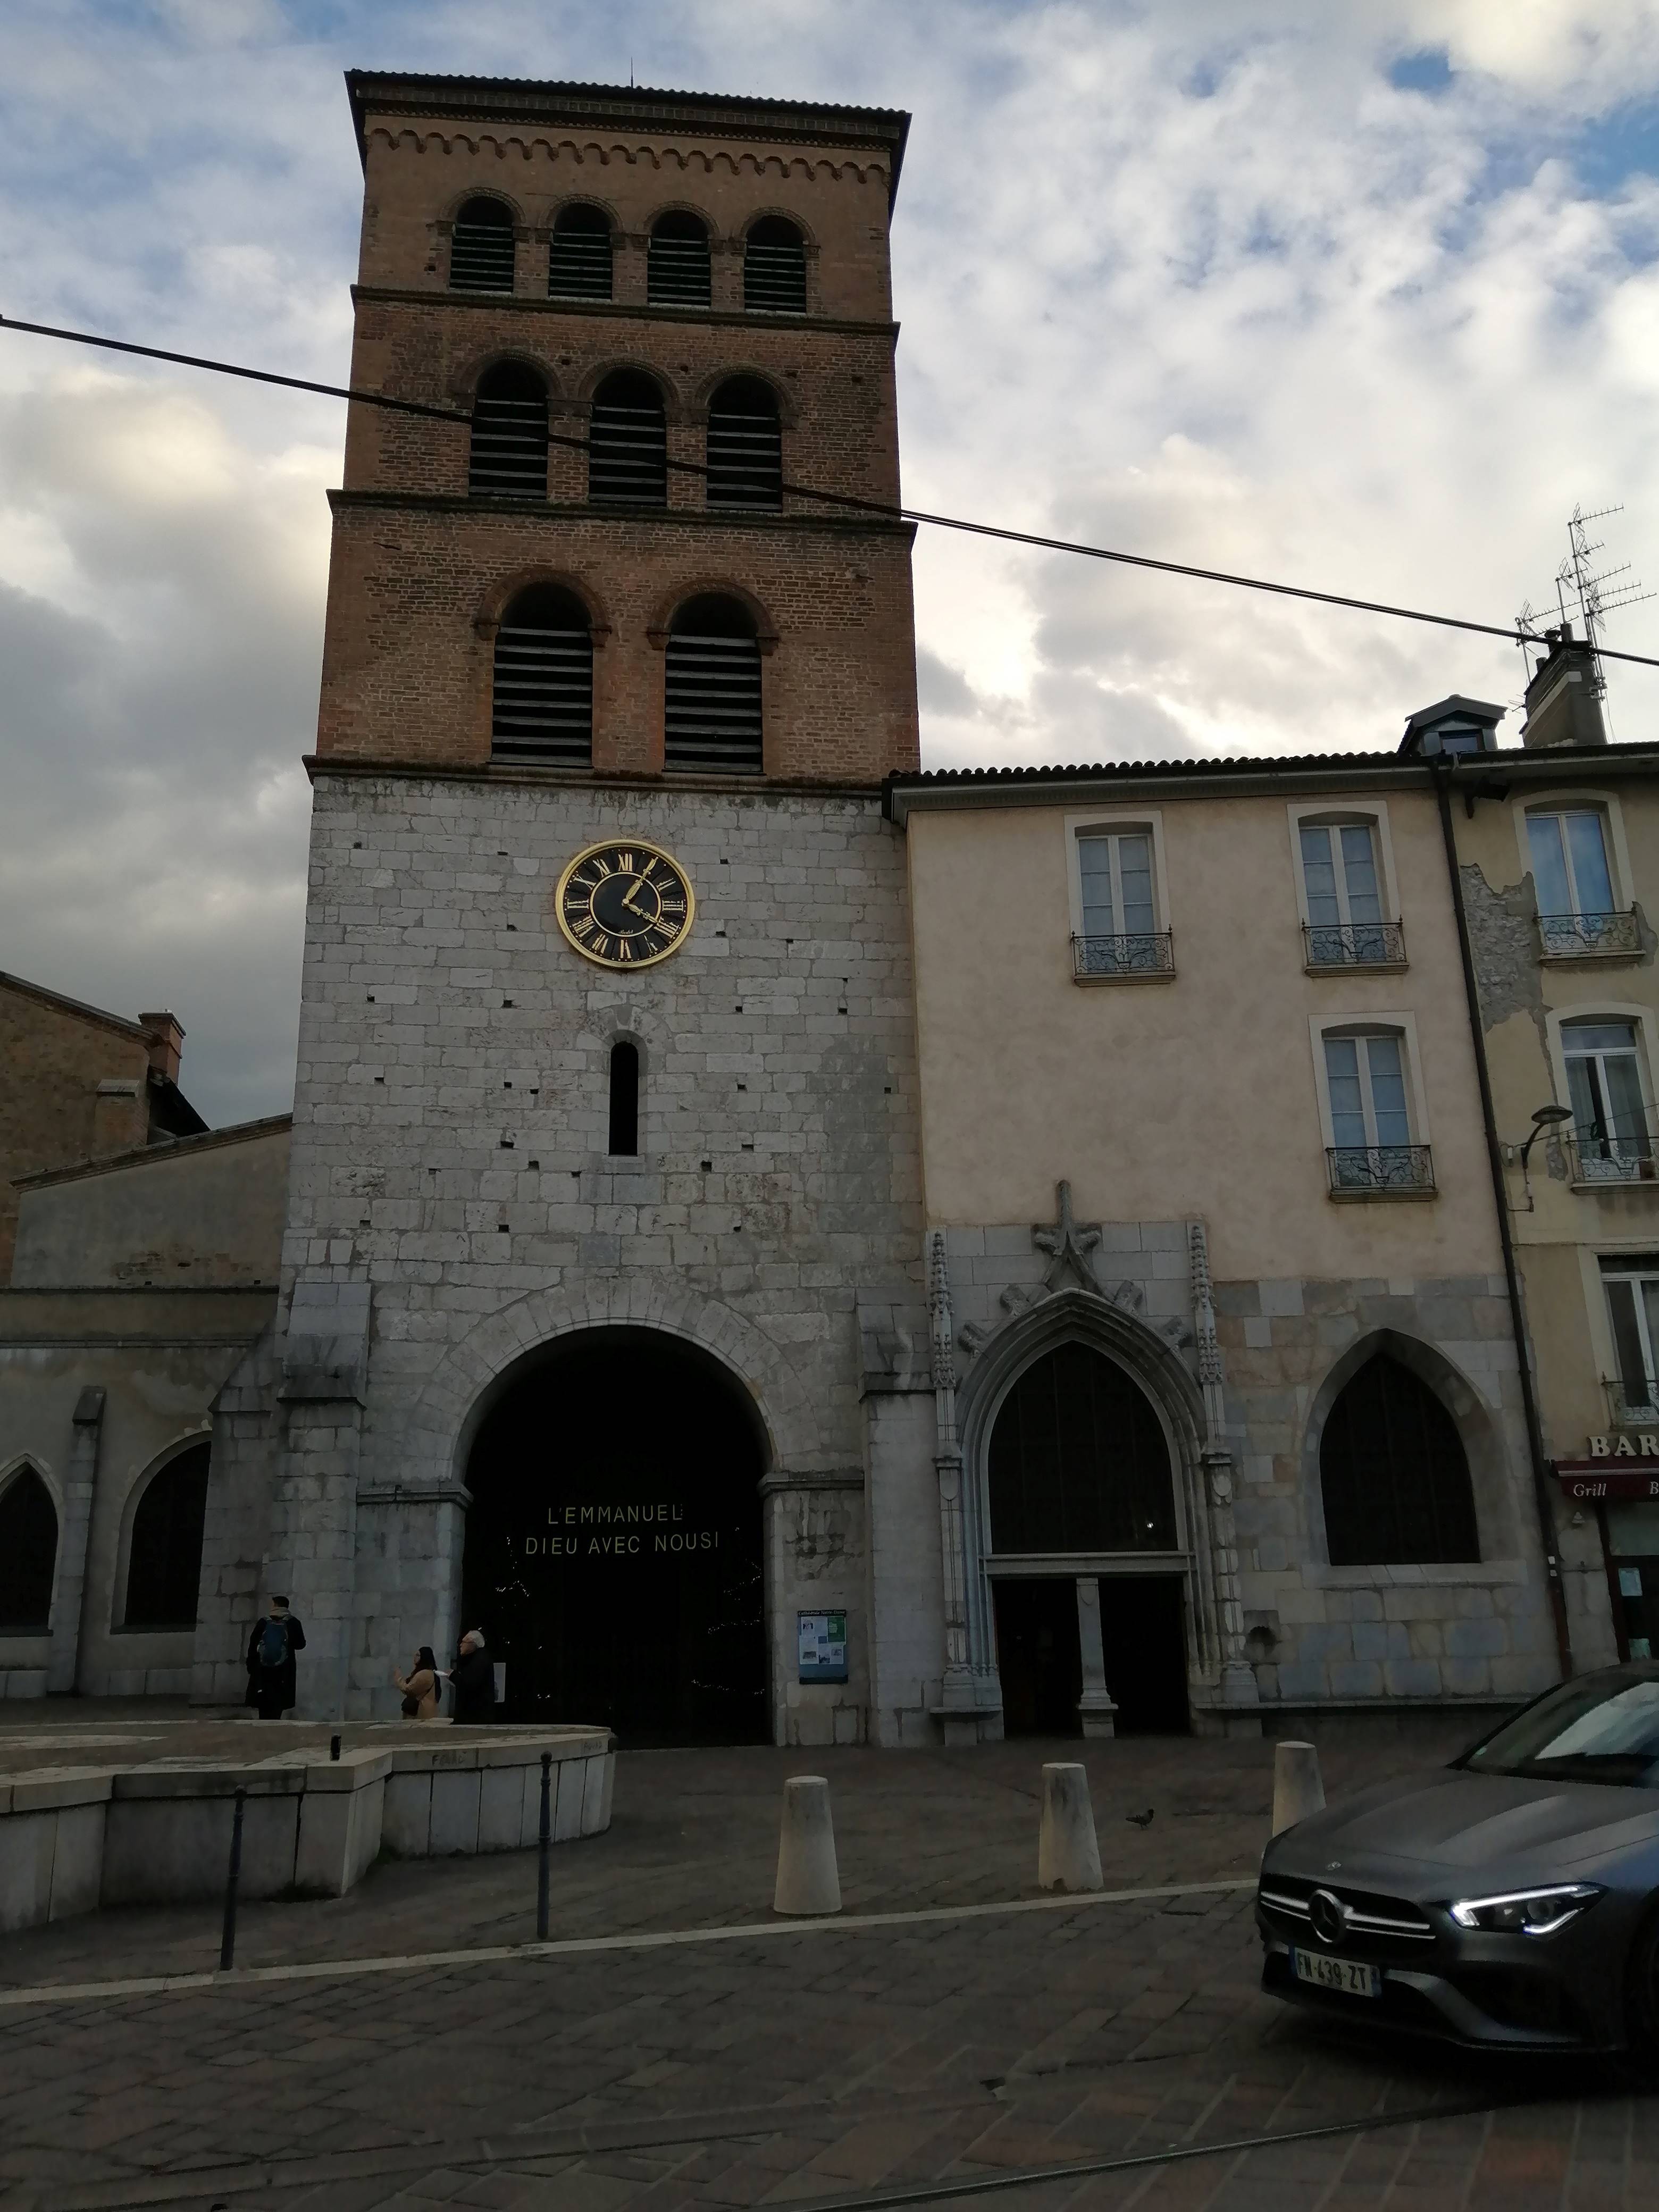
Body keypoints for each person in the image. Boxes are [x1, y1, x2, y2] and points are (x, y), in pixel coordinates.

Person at [245, 1595, 305, 1720]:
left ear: (275, 1605)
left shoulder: (264, 1622)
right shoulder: (293, 1622)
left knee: (263, 1705)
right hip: (284, 1671)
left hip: (263, 1670)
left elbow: (253, 1645)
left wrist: (251, 1667)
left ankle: (263, 1728)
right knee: (278, 1705)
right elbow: (301, 1645)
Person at [449, 1629, 497, 1726]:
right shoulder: (477, 1658)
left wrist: (453, 1675)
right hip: (474, 1717)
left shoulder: (480, 1660)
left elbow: (470, 1684)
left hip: (475, 1718)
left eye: (463, 1642)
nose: (460, 1645)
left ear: (472, 1643)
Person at [393, 1645, 445, 1720]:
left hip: (420, 1713)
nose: (415, 1657)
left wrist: (398, 1678)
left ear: (424, 1657)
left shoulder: (425, 1674)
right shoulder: (427, 1672)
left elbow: (409, 1689)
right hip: (424, 1711)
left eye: (418, 1655)